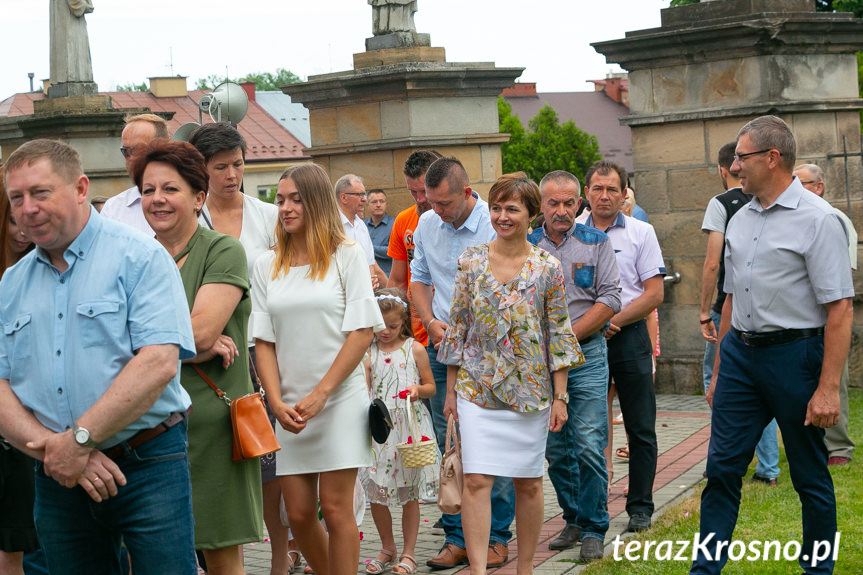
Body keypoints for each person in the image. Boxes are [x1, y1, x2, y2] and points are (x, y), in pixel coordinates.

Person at [0, 139, 197, 574]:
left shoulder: (140, 257)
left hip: (148, 466)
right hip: (55, 476)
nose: (27, 208)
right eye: (17, 198)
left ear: (81, 188)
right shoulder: (11, 284)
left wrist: (79, 441)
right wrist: (59, 451)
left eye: (40, 192)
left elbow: (159, 361)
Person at [692, 116, 853, 575]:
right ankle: (705, 570)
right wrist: (722, 368)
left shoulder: (819, 221)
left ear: (771, 158)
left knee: (808, 474)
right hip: (740, 357)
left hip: (794, 358)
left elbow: (839, 309)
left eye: (742, 157)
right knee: (721, 471)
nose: (735, 167)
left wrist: (826, 389)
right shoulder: (740, 217)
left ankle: (817, 569)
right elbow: (730, 300)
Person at [438, 172, 582, 573]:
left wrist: (560, 396)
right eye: (496, 207)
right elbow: (458, 328)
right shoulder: (470, 261)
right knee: (477, 482)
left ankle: (526, 568)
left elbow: (559, 333)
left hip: (530, 393)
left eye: (512, 209)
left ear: (531, 214)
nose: (502, 216)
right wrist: (450, 392)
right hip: (476, 390)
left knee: (529, 484)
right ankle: (479, 569)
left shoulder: (547, 267)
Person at [133, 140, 263, 574]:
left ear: (198, 197)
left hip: (211, 425)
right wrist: (189, 347)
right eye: (148, 190)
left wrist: (186, 341)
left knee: (220, 554)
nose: (157, 200)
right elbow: (111, 344)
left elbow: (201, 331)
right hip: (146, 427)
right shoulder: (132, 257)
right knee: (152, 558)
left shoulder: (222, 250)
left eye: (169, 189)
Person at [251, 163, 385, 575]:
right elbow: (264, 341)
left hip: (340, 398)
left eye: (296, 199)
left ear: (317, 203)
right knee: (299, 513)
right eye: (280, 199)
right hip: (289, 405)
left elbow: (362, 332)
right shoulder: (266, 263)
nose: (286, 207)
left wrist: (322, 394)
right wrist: (275, 401)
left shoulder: (347, 253)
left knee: (337, 508)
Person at [186, 122, 291, 573]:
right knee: (227, 465)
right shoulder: (189, 219)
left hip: (264, 347)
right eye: (221, 167)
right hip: (215, 352)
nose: (232, 175)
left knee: (267, 464)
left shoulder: (267, 216)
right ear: (202, 170)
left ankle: (281, 554)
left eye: (239, 164)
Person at [410, 157, 515, 569]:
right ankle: (456, 537)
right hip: (441, 349)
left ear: (468, 193)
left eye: (445, 203)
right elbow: (418, 280)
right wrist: (430, 321)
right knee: (449, 444)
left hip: (490, 354)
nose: (437, 210)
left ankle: (496, 537)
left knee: (491, 444)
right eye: (430, 202)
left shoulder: (494, 226)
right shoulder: (425, 225)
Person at [528, 170, 621, 560]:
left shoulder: (596, 242)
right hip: (537, 363)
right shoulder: (526, 244)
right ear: (541, 205)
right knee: (556, 450)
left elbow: (611, 297)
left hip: (587, 357)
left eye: (569, 203)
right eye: (554, 203)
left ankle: (595, 527)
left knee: (587, 444)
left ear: (578, 204)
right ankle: (574, 517)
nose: (562, 210)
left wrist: (567, 339)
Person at [583, 160, 665, 533]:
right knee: (586, 431)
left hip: (628, 336)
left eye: (611, 189)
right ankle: (587, 511)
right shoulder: (569, 235)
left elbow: (654, 293)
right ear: (586, 193)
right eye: (597, 188)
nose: (604, 196)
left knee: (640, 427)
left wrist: (614, 321)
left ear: (624, 193)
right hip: (582, 340)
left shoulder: (641, 232)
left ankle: (640, 507)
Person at [700, 142, 780, 485]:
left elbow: (712, 262)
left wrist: (704, 310)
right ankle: (769, 467)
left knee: (715, 380)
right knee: (766, 386)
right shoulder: (768, 199)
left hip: (728, 306)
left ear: (724, 169)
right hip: (768, 309)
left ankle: (725, 456)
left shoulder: (721, 203)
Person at [361, 288, 439, 575]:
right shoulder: (368, 351)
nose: (386, 332)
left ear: (403, 322)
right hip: (379, 431)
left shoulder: (414, 348)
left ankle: (408, 552)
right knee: (377, 492)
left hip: (408, 428)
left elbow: (431, 386)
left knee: (409, 493)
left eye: (393, 327)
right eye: (380, 327)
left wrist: (419, 390)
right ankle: (387, 546)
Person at [793, 163, 856, 467]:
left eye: (801, 182)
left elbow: (840, 281)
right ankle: (812, 444)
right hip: (797, 326)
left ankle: (839, 448)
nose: (794, 187)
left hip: (827, 320)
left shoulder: (834, 219)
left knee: (835, 381)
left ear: (818, 186)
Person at [0, 166, 38, 575]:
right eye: (13, 217)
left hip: (26, 421)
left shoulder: (40, 270)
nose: (22, 229)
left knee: (17, 539)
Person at [388, 149, 442, 347]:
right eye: (413, 191)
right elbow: (397, 280)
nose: (419, 199)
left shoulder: (456, 220)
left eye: (424, 191)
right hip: (416, 335)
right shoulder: (404, 220)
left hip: (450, 329)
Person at [100, 113, 170, 234]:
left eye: (139, 150)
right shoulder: (113, 209)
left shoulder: (194, 201)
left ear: (163, 147)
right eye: (126, 151)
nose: (131, 158)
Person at [334, 174, 386, 288]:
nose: (364, 199)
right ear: (343, 198)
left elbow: (370, 264)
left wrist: (372, 283)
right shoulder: (331, 226)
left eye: (364, 194)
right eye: (359, 194)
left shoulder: (361, 225)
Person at [365, 189, 395, 276]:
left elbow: (393, 251)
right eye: (374, 202)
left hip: (387, 278)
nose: (378, 205)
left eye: (381, 201)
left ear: (386, 204)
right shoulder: (362, 226)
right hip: (366, 277)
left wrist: (368, 248)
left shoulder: (394, 225)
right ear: (367, 205)